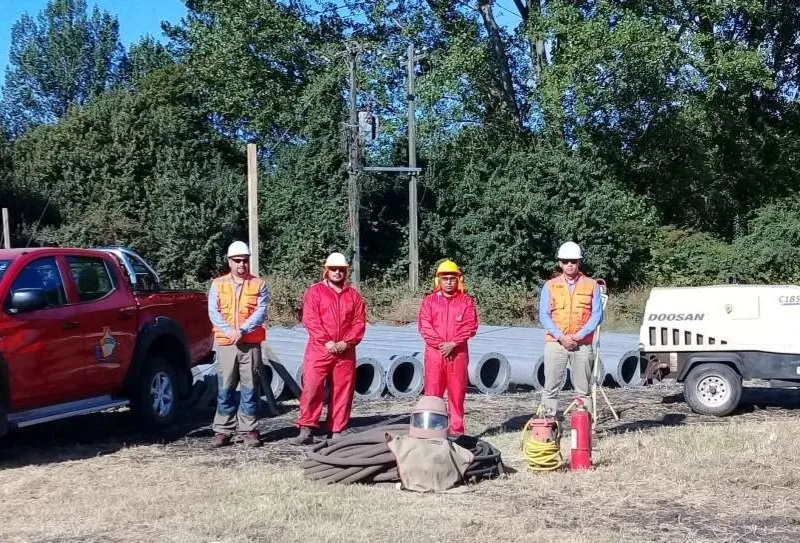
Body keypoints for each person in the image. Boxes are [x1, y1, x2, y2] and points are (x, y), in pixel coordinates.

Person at [292, 252, 366, 445]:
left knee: (343, 390)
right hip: (320, 349)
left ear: (346, 272)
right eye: (333, 269)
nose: (337, 273)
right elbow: (310, 319)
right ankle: (307, 427)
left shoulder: (354, 296)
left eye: (341, 270)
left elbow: (359, 323)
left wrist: (346, 342)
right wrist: (327, 342)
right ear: (326, 270)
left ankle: (336, 429)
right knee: (312, 387)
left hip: (345, 351)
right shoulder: (314, 292)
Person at [208, 241, 269, 448]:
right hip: (226, 344)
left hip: (249, 343)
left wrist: (241, 330)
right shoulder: (218, 284)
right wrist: (229, 332)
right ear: (229, 261)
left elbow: (261, 311)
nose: (241, 265)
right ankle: (223, 430)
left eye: (245, 260)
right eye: (237, 261)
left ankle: (249, 430)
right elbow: (214, 312)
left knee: (250, 387)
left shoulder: (259, 284)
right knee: (225, 387)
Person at [539, 241, 604, 416]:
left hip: (582, 344)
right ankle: (548, 428)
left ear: (579, 262)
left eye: (573, 261)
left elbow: (597, 315)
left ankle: (585, 431)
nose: (570, 264)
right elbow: (544, 315)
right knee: (550, 388)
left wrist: (578, 336)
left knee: (583, 391)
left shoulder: (592, 285)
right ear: (560, 262)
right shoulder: (550, 285)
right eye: (566, 261)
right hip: (556, 343)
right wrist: (561, 337)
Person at [417, 259, 479, 437]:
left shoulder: (466, 302)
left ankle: (456, 432)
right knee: (432, 396)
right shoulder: (429, 302)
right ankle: (430, 431)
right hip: (435, 355)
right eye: (445, 278)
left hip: (457, 354)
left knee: (457, 395)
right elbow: (424, 326)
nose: (449, 281)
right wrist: (440, 344)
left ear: (458, 280)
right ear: (438, 281)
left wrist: (453, 343)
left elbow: (470, 325)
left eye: (452, 278)